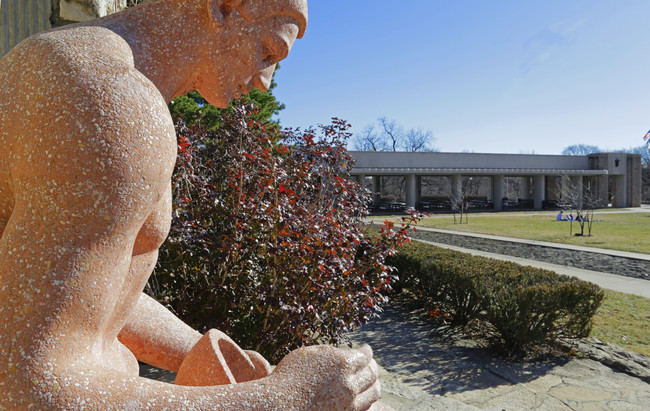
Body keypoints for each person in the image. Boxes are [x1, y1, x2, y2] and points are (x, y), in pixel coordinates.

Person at [0, 0, 381, 408]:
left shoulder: (74, 64)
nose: (264, 83)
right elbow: (26, 383)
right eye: (269, 52)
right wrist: (286, 399)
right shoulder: (109, 101)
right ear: (222, 8)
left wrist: (194, 350)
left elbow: (65, 290)